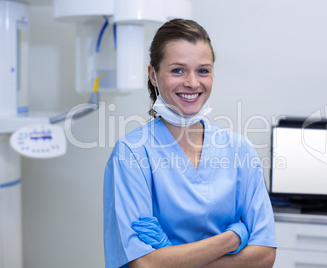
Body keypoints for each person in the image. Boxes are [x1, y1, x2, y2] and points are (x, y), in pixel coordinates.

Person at [103, 19, 277, 268]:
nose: (193, 83)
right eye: (178, 70)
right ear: (153, 74)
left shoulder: (240, 150)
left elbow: (265, 255)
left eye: (203, 70)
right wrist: (232, 238)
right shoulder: (132, 153)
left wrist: (172, 259)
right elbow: (144, 264)